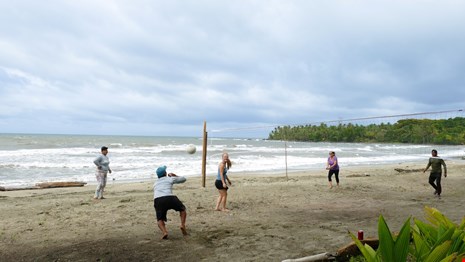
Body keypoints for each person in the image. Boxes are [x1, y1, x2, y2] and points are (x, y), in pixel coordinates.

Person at [153, 165, 188, 240]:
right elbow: (184, 179)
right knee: (182, 209)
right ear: (165, 173)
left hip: (158, 199)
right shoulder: (169, 179)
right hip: (170, 197)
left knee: (159, 219)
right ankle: (182, 225)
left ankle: (164, 232)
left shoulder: (155, 183)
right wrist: (175, 175)